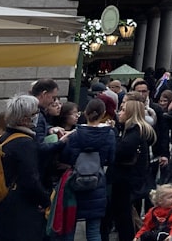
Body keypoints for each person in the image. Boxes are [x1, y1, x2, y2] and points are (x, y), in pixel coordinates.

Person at [0, 94, 51, 241]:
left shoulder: (2, 138)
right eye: (35, 113)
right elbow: (30, 179)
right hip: (20, 208)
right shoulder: (25, 143)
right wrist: (45, 200)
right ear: (24, 119)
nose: (38, 115)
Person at [61, 98, 116, 241]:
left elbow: (66, 156)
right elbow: (111, 159)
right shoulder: (109, 134)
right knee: (93, 231)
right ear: (103, 113)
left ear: (85, 112)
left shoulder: (76, 134)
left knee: (70, 228)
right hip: (97, 182)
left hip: (75, 181)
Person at [105, 98, 156, 241]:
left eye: (123, 110)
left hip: (126, 182)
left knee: (124, 218)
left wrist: (113, 132)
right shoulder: (133, 131)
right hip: (126, 181)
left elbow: (120, 150)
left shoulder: (134, 133)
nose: (119, 113)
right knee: (123, 217)